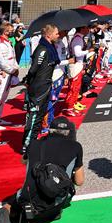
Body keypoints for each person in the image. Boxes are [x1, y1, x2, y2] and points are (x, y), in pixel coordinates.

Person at [0, 117, 84, 223]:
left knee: (19, 194)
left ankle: (7, 209)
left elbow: (23, 161)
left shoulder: (34, 144)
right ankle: (54, 211)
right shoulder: (75, 146)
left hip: (27, 198)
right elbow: (80, 181)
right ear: (69, 132)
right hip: (53, 201)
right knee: (67, 186)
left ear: (50, 130)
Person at [23, 25, 72, 159]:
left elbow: (53, 63)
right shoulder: (42, 49)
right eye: (56, 33)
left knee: (39, 118)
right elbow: (33, 70)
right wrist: (29, 85)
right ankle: (27, 147)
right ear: (48, 35)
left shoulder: (50, 48)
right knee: (34, 118)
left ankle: (34, 144)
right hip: (38, 89)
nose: (58, 35)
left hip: (45, 86)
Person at [0, 22, 20, 131]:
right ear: (5, 31)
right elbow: (2, 63)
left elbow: (13, 58)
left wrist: (16, 68)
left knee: (4, 97)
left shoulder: (8, 43)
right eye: (11, 30)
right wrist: (12, 71)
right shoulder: (0, 44)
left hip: (9, 73)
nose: (12, 32)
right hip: (2, 74)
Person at [63, 26, 91, 117]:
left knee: (76, 88)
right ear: (82, 28)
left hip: (78, 64)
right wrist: (88, 51)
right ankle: (69, 108)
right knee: (74, 88)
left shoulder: (79, 38)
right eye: (87, 28)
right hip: (75, 65)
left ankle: (72, 106)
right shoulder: (78, 39)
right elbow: (77, 53)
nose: (88, 30)